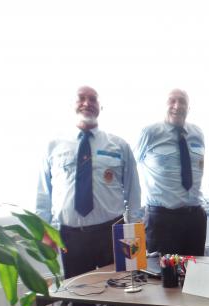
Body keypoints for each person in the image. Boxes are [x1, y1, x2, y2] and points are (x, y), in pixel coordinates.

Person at [37, 86, 141, 279]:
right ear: (72, 105)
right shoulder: (53, 146)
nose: (87, 103)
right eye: (81, 98)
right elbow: (44, 194)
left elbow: (134, 191)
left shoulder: (119, 145)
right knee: (79, 298)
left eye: (93, 99)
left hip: (112, 233)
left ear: (100, 106)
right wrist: (44, 231)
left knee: (121, 293)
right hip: (70, 236)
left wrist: (135, 230)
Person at [135, 88, 207, 257]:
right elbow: (132, 170)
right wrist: (133, 214)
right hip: (162, 220)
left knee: (195, 276)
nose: (177, 105)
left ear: (188, 108)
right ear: (164, 105)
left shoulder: (198, 133)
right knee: (163, 279)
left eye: (182, 102)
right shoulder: (149, 133)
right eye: (172, 101)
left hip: (194, 218)